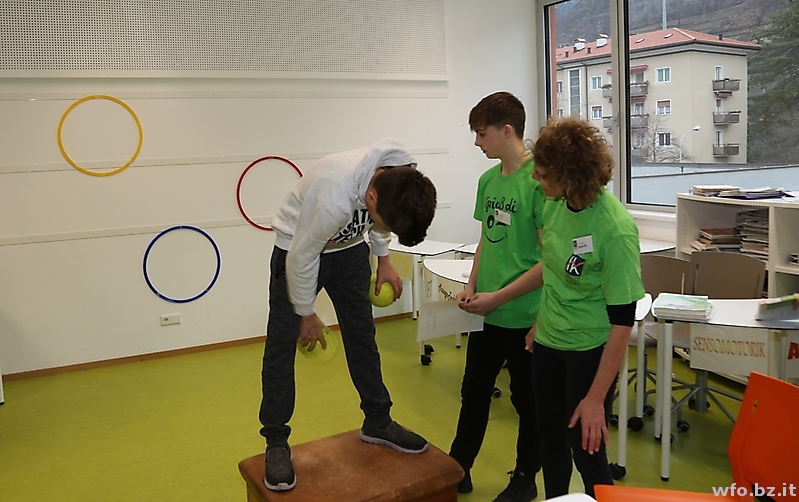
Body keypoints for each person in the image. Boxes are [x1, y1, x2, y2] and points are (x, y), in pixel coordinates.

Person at [259, 137, 438, 492]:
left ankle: (378, 421)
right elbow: (301, 258)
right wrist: (306, 314)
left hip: (349, 251)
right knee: (281, 347)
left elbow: (385, 220)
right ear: (370, 197)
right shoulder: (333, 196)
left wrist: (384, 258)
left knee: (362, 337)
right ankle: (276, 442)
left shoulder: (403, 175)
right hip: (297, 247)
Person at [525, 116, 644, 499]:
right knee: (550, 442)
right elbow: (554, 270)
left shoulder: (615, 229)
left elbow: (623, 322)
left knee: (588, 450)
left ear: (569, 177)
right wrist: (540, 322)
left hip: (590, 349)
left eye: (543, 174)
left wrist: (595, 399)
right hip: (549, 342)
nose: (535, 179)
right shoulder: (553, 205)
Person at [449, 91, 544, 502]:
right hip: (487, 312)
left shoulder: (540, 181)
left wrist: (499, 298)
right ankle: (459, 467)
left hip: (524, 314)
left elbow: (550, 261)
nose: (476, 141)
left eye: (481, 133)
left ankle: (525, 477)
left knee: (527, 402)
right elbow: (486, 240)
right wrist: (472, 286)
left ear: (507, 131)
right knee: (473, 392)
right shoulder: (488, 181)